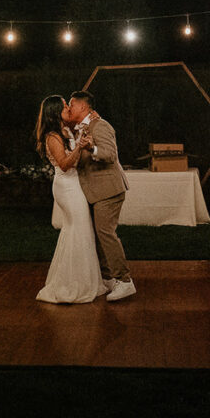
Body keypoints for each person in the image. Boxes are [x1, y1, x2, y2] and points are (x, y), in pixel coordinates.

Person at [34, 95, 108, 303]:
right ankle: (69, 284)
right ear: (56, 111)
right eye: (65, 105)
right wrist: (79, 147)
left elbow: (82, 131)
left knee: (81, 229)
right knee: (77, 229)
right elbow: (65, 164)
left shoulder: (65, 131)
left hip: (75, 185)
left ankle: (85, 281)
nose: (68, 107)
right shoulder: (52, 137)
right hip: (66, 187)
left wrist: (93, 120)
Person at [65, 90, 135, 301]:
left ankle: (125, 281)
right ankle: (109, 279)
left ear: (83, 107)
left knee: (105, 233)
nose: (69, 109)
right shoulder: (81, 127)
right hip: (96, 192)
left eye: (72, 105)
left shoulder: (100, 125)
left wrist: (92, 147)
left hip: (109, 190)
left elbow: (110, 154)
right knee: (98, 234)